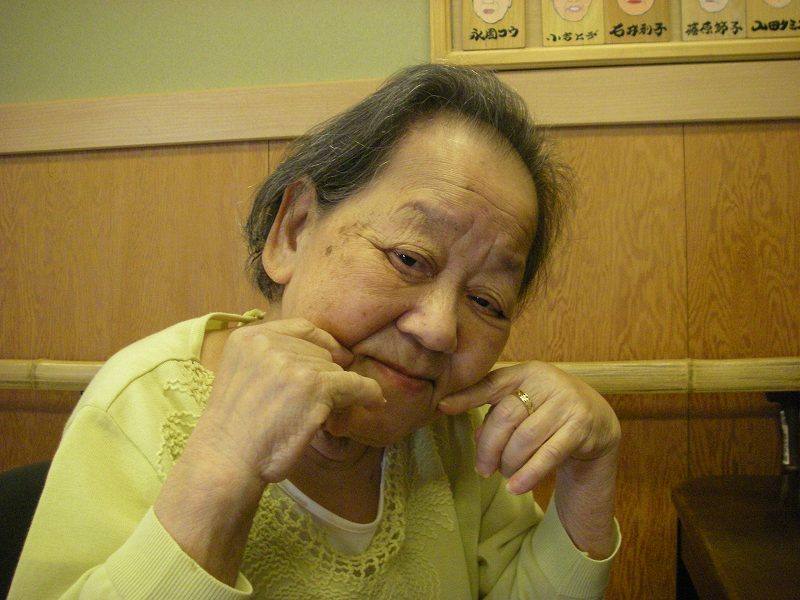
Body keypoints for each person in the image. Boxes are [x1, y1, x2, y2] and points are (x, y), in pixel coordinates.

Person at [10, 63, 621, 599]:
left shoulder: (455, 431)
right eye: (408, 258)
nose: (439, 330)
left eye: (486, 300)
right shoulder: (143, 401)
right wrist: (226, 460)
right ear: (294, 231)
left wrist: (587, 478)